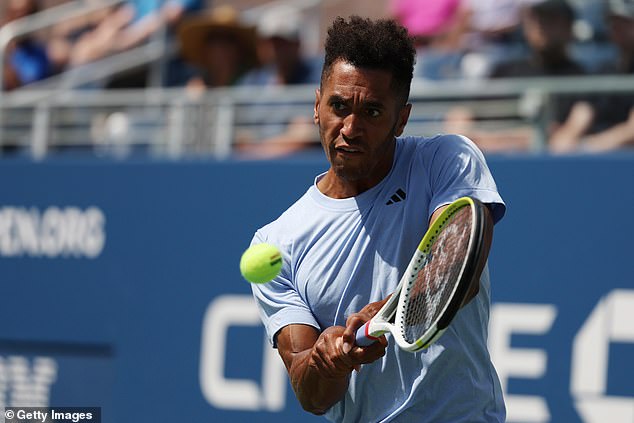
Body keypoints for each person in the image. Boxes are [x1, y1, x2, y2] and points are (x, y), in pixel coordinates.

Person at [249, 16, 506, 422]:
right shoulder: (274, 244)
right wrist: (328, 358)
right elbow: (310, 395)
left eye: (371, 111)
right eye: (338, 106)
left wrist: (384, 316)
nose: (350, 128)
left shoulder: (447, 159)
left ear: (401, 119)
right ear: (317, 106)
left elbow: (458, 272)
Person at [549, 0, 634, 152]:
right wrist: (566, 141)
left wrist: (589, 146)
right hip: (595, 158)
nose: (617, 27)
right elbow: (581, 116)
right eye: (614, 21)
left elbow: (631, 131)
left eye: (626, 22)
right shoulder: (603, 71)